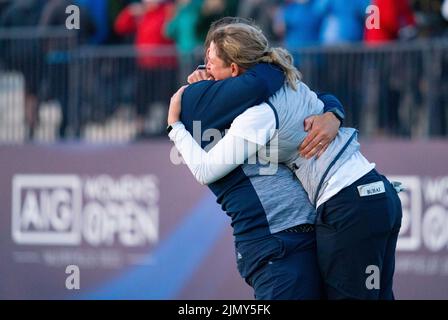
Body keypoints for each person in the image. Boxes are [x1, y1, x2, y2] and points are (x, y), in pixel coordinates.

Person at [168, 21, 403, 300]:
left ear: (234, 70)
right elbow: (324, 99)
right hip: (378, 194)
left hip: (345, 203)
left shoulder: (258, 115)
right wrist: (335, 112)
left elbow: (206, 170)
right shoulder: (290, 82)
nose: (204, 69)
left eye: (209, 62)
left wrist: (175, 127)